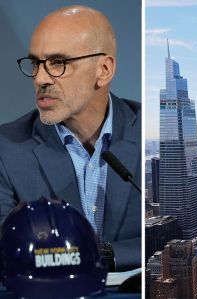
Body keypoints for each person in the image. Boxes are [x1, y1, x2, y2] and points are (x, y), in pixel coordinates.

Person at [0, 5, 140, 271]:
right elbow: (7, 249)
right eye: (35, 63)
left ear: (104, 70)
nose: (40, 78)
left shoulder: (144, 131)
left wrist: (104, 255)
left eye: (57, 63)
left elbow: (166, 236)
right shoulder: (5, 148)